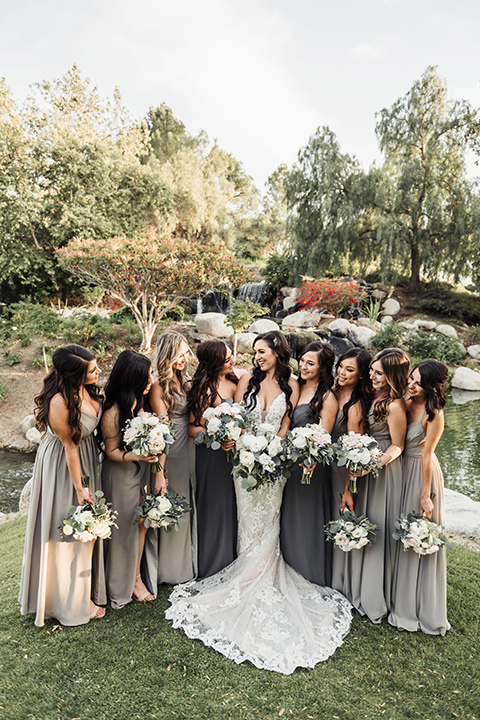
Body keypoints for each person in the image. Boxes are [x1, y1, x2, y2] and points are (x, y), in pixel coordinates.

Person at [166, 331, 352, 675]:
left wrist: (274, 447)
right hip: (243, 464)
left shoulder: (292, 382)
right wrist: (247, 446)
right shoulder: (245, 379)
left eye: (262, 352)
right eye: (254, 352)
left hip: (274, 466)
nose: (256, 358)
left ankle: (264, 573)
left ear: (278, 352)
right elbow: (235, 417)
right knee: (246, 519)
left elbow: (286, 421)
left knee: (269, 521)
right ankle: (243, 571)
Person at [19, 344, 106, 626]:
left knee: (90, 528)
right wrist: (79, 488)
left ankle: (85, 591)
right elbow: (69, 446)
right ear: (75, 375)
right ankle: (69, 601)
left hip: (87, 457)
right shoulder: (59, 401)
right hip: (63, 466)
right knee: (68, 527)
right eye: (92, 369)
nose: (99, 371)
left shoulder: (88, 390)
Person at [344, 348, 408, 623]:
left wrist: (373, 464)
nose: (371, 376)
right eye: (371, 370)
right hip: (367, 465)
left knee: (379, 526)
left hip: (384, 470)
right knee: (367, 523)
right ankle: (361, 588)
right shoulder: (374, 396)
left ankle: (377, 596)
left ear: (392, 376)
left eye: (378, 373)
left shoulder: (394, 405)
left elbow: (398, 445)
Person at [388, 360, 450, 635]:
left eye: (417, 383)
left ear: (432, 388)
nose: (411, 385)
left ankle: (416, 606)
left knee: (417, 533)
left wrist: (425, 495)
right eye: (411, 378)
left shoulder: (433, 413)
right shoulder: (404, 401)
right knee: (399, 530)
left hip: (422, 475)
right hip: (401, 470)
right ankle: (395, 596)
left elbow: (427, 455)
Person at [101, 350, 164, 607]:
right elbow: (112, 452)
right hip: (121, 474)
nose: (151, 380)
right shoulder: (113, 412)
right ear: (133, 379)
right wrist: (137, 456)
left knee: (140, 523)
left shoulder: (141, 404)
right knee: (124, 528)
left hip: (142, 471)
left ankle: (137, 577)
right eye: (147, 376)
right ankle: (120, 585)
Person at [280, 342, 338, 585]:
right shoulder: (295, 385)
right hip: (289, 463)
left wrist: (310, 460)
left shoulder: (327, 397)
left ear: (322, 367)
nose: (303, 366)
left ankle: (309, 573)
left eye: (310, 363)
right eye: (302, 360)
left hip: (310, 466)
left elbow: (324, 436)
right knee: (288, 516)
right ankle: (288, 566)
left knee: (306, 517)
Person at [186, 340, 238, 579]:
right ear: (214, 362)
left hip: (234, 455)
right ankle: (213, 563)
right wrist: (217, 437)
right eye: (227, 359)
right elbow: (193, 429)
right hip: (211, 456)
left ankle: (232, 558)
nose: (232, 361)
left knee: (232, 506)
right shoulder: (204, 389)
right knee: (215, 506)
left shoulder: (235, 382)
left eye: (231, 357)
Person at [148, 331, 196, 585]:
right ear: (168, 354)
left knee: (187, 502)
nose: (185, 358)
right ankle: (169, 571)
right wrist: (159, 471)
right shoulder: (158, 385)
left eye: (187, 352)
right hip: (171, 449)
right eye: (180, 353)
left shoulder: (183, 380)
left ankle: (187, 564)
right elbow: (161, 428)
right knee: (174, 501)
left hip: (189, 447)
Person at [330, 348, 372, 593]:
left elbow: (353, 451)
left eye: (349, 370)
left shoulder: (355, 406)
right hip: (324, 464)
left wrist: (348, 489)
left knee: (340, 517)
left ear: (361, 375)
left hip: (340, 468)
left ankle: (343, 582)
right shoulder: (333, 390)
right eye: (341, 366)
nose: (342, 372)